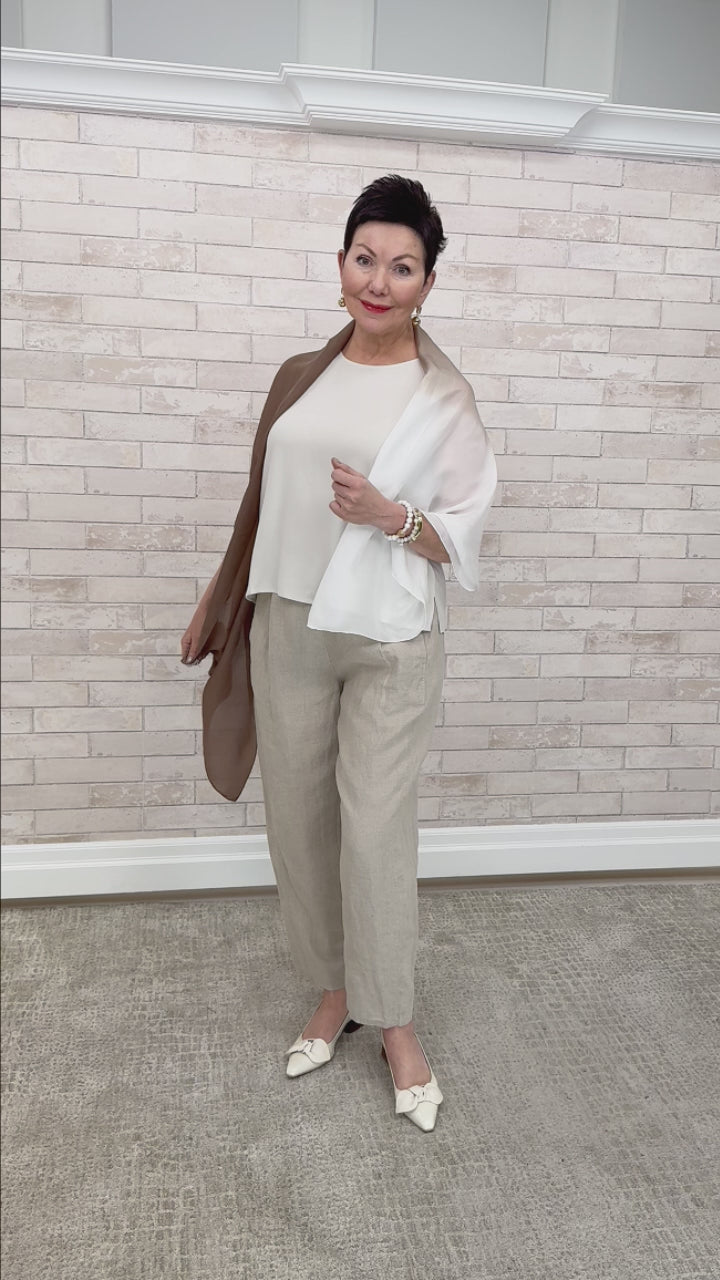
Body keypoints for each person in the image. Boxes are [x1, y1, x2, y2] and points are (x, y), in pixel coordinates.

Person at [181, 175, 497, 1132]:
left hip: (389, 633)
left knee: (374, 829)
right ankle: (333, 992)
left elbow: (463, 536)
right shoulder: (299, 376)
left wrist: (392, 516)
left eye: (402, 267)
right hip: (287, 621)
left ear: (428, 284)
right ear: (341, 263)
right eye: (366, 259)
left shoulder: (442, 397)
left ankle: (394, 1021)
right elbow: (260, 503)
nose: (378, 281)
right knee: (301, 822)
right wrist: (219, 599)